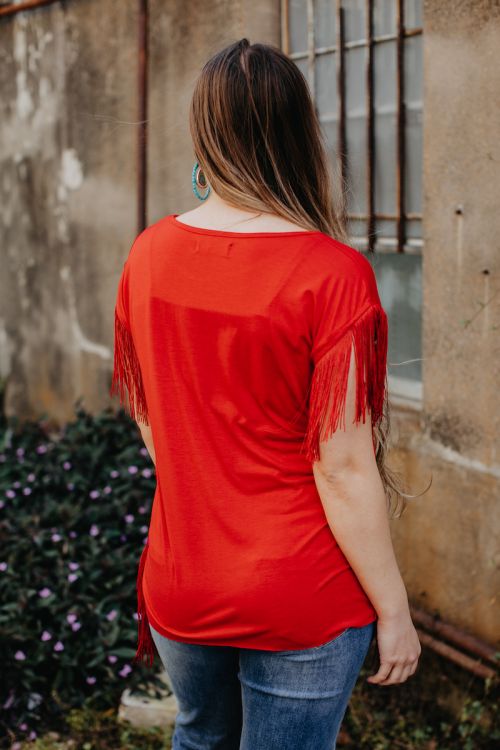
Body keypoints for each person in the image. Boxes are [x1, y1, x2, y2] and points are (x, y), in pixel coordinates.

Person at [110, 37, 421, 750]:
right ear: (297, 133)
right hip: (297, 593)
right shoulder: (333, 274)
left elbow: (147, 410)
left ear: (206, 133)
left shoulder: (148, 254)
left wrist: (205, 492)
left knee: (199, 738)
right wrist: (394, 609)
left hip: (181, 577)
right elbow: (341, 468)